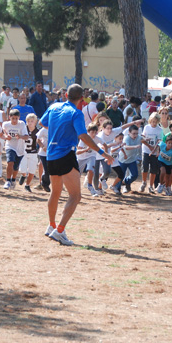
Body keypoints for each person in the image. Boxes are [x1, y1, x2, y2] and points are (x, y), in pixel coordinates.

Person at [40, 84, 113, 246]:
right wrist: (103, 153)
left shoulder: (54, 107)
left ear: (65, 95)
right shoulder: (76, 113)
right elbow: (83, 136)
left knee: (55, 192)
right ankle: (59, 231)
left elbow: (42, 122)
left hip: (51, 155)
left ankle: (51, 225)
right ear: (82, 98)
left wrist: (58, 129)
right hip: (65, 155)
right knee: (75, 196)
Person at [116, 125, 150, 193]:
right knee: (121, 175)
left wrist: (146, 140)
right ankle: (117, 189)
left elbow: (142, 139)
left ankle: (126, 182)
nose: (135, 135)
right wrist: (135, 147)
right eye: (134, 133)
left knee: (135, 175)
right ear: (129, 132)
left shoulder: (138, 137)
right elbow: (126, 147)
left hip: (132, 160)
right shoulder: (126, 138)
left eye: (137, 133)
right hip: (123, 160)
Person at [2, 109, 27, 190]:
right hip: (10, 146)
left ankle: (13, 180)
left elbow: (26, 137)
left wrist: (20, 136)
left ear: (19, 118)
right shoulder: (6, 124)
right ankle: (8, 180)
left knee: (16, 167)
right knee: (10, 162)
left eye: (16, 118)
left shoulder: (22, 124)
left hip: (20, 148)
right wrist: (6, 137)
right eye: (13, 118)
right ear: (9, 117)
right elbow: (3, 132)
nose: (15, 120)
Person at [76, 123, 103, 196]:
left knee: (91, 170)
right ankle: (75, 190)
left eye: (95, 132)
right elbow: (77, 152)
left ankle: (90, 186)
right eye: (92, 132)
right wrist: (86, 149)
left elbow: (104, 144)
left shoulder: (97, 139)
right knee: (77, 175)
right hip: (81, 157)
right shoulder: (84, 139)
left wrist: (105, 150)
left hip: (91, 156)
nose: (94, 134)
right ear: (88, 132)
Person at [140, 112, 162, 193]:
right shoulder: (146, 127)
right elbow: (142, 138)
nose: (154, 123)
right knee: (144, 167)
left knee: (153, 169)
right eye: (153, 121)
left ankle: (151, 185)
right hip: (146, 150)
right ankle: (143, 182)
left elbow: (159, 141)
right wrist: (149, 146)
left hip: (154, 152)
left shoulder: (160, 129)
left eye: (156, 122)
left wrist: (155, 150)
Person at [18, 113, 39, 192]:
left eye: (32, 121)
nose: (30, 123)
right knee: (22, 170)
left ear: (35, 122)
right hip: (24, 152)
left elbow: (39, 141)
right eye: (28, 121)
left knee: (32, 170)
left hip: (33, 152)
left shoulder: (37, 131)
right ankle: (23, 175)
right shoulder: (24, 129)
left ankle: (27, 185)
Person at [36, 125, 51, 192]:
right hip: (44, 153)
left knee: (51, 169)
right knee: (46, 168)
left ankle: (45, 182)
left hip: (53, 152)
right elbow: (38, 139)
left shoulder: (57, 128)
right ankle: (45, 183)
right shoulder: (44, 130)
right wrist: (42, 146)